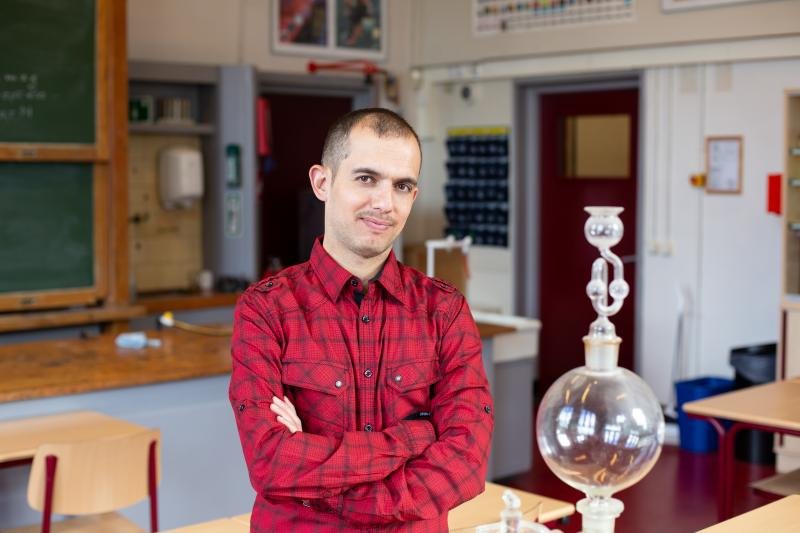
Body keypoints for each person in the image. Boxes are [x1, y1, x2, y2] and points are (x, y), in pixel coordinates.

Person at [229, 108, 494, 532]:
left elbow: (466, 461)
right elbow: (271, 461)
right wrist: (415, 437)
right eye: (366, 178)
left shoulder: (444, 311)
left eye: (401, 186)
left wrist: (327, 490)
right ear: (322, 182)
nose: (384, 203)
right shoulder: (266, 309)